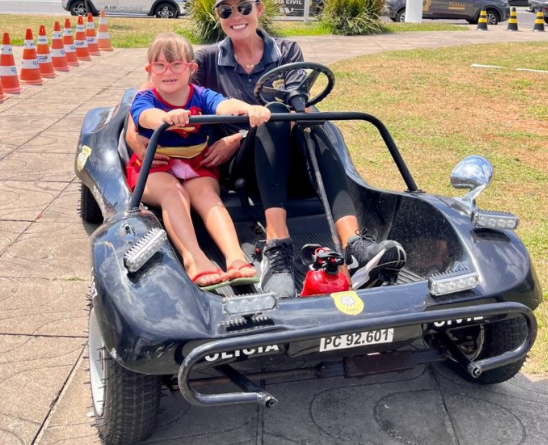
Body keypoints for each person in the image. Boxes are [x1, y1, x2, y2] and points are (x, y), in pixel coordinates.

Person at [127, 0, 406, 298]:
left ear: (258, 9)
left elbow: (295, 104)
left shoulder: (287, 52)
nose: (236, 16)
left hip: (280, 149)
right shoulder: (207, 58)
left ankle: (353, 244)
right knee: (273, 113)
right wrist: (136, 135)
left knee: (314, 122)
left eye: (244, 7)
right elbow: (157, 87)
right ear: (218, 16)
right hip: (239, 161)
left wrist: (252, 121)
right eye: (226, 10)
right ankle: (277, 243)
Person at [128, 32, 271, 290]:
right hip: (155, 168)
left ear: (191, 68)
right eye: (159, 65)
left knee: (207, 195)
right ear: (149, 70)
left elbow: (224, 105)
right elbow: (145, 116)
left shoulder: (201, 95)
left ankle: (235, 256)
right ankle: (195, 258)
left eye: (176, 65)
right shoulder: (146, 99)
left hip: (195, 164)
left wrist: (248, 109)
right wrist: (165, 117)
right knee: (174, 193)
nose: (167, 71)